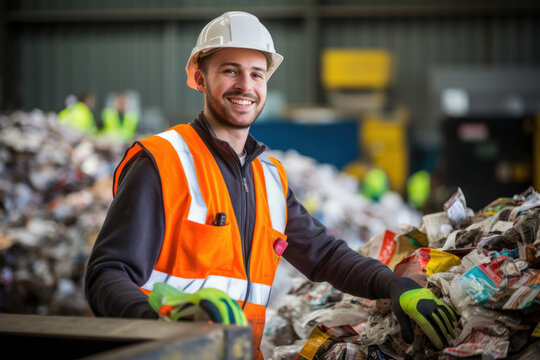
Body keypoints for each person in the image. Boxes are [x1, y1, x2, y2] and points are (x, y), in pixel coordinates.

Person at [85, 11, 456, 359]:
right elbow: (106, 275)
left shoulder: (268, 175)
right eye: (230, 71)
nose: (245, 85)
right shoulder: (162, 161)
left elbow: (323, 254)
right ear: (199, 78)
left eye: (257, 74)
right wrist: (160, 326)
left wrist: (390, 284)